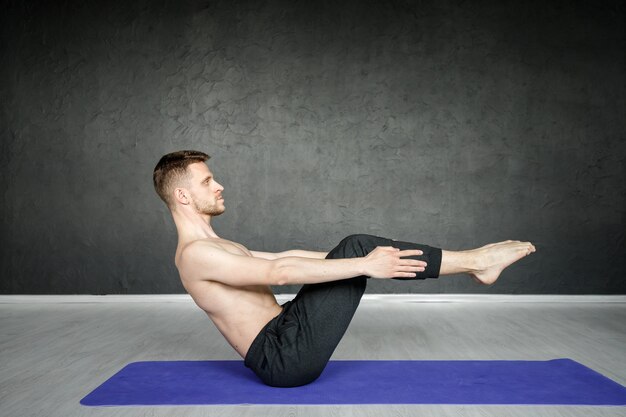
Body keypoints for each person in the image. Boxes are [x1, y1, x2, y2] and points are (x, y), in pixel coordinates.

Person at [153, 150, 536, 388]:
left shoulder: (217, 246)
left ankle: (474, 260)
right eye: (207, 181)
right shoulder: (194, 254)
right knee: (358, 250)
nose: (219, 185)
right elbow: (280, 274)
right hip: (282, 359)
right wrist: (364, 263)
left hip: (286, 332)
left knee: (355, 249)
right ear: (183, 195)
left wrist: (358, 259)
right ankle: (476, 262)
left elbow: (284, 255)